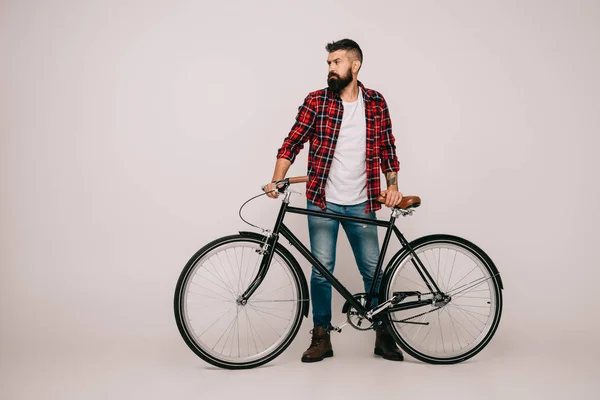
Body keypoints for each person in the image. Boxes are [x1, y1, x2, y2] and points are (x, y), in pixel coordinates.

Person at [263, 39, 404, 363]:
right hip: (323, 201)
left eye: (336, 62)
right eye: (328, 63)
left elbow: (387, 149)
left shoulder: (376, 103)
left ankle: (384, 334)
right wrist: (276, 177)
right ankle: (321, 336)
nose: (330, 68)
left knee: (372, 271)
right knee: (321, 270)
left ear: (354, 66)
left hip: (362, 201)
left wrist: (393, 186)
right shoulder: (317, 101)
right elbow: (292, 141)